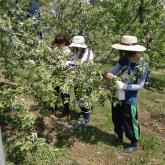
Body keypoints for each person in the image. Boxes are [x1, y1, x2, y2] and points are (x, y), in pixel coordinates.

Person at [107, 35, 147, 154]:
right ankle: (119, 135)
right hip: (118, 95)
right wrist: (110, 75)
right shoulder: (124, 59)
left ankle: (134, 142)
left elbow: (140, 85)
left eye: (126, 51)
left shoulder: (142, 65)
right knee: (117, 117)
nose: (124, 53)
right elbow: (113, 71)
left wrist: (125, 86)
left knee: (129, 120)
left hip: (130, 98)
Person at [69, 35, 94, 126]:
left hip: (86, 80)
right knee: (79, 97)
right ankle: (84, 113)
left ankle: (86, 119)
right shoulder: (76, 51)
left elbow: (80, 64)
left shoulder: (88, 53)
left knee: (84, 98)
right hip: (77, 79)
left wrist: (69, 64)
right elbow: (72, 61)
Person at [53, 34, 71, 115]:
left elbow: (70, 63)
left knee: (64, 92)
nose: (59, 44)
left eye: (60, 42)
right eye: (57, 43)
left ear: (64, 42)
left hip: (65, 74)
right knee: (55, 90)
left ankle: (66, 109)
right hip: (56, 73)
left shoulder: (68, 50)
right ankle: (54, 105)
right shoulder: (56, 49)